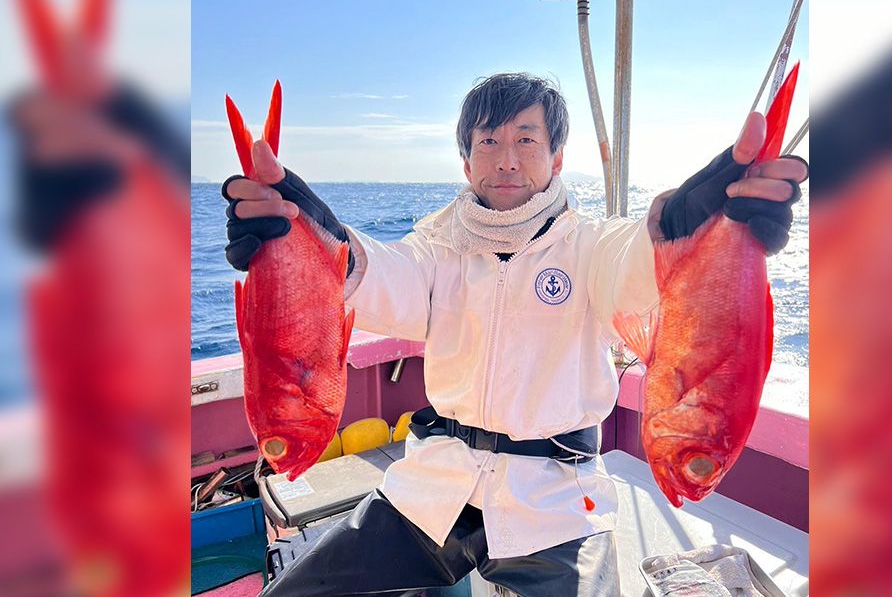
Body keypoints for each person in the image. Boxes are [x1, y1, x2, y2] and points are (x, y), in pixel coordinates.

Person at [222, 73, 807, 596]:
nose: (506, 159)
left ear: (556, 159)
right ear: (467, 161)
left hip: (557, 502)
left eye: (526, 140)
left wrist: (675, 233)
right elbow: (387, 281)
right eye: (488, 142)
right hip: (432, 485)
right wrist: (315, 241)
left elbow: (632, 270)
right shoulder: (437, 243)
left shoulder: (590, 244)